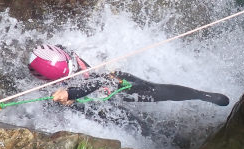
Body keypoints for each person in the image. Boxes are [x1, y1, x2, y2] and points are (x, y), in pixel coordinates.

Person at [28, 44, 230, 106]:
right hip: (101, 101)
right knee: (136, 126)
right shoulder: (61, 57)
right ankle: (174, 140)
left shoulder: (66, 61)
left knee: (157, 91)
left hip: (115, 84)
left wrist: (70, 94)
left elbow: (100, 80)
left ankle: (203, 96)